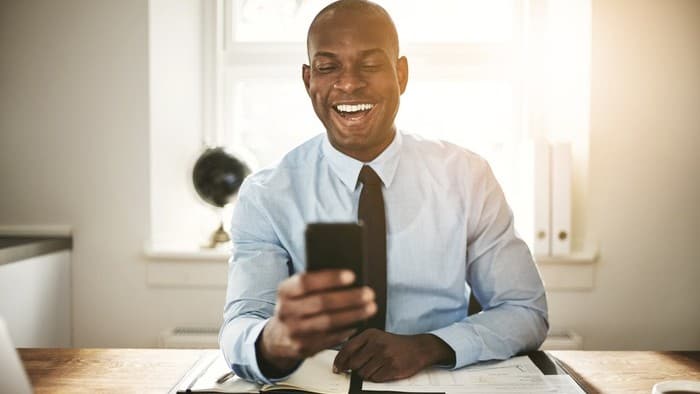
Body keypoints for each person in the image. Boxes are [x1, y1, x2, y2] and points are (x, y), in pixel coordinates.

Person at [219, 0, 548, 385]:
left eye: (370, 65)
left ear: (401, 74)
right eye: (328, 67)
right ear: (309, 79)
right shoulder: (265, 194)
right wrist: (275, 340)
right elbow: (239, 326)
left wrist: (428, 346)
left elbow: (525, 310)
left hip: (436, 380)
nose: (349, 83)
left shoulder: (467, 176)